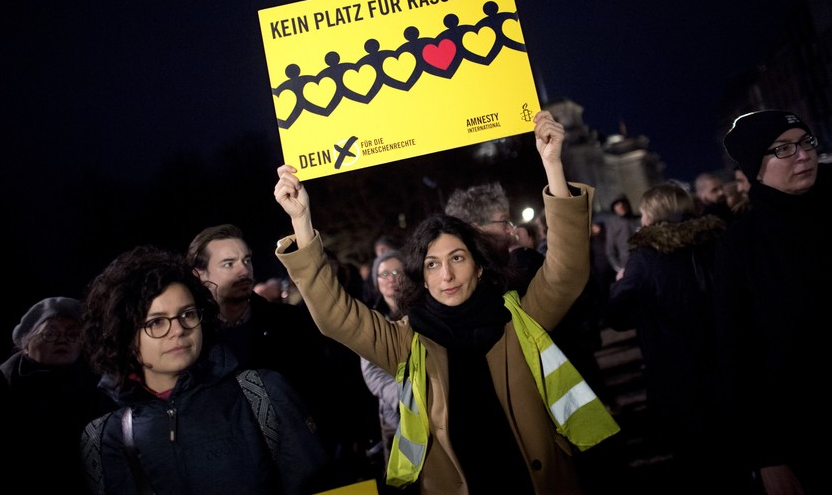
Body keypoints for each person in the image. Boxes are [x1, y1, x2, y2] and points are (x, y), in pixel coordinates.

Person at [273, 110, 619, 493]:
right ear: (421, 277)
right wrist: (301, 221)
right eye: (432, 264)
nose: (447, 276)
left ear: (479, 266)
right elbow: (335, 315)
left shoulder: (520, 318)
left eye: (457, 258)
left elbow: (566, 271)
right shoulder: (404, 342)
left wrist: (552, 165)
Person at [79, 245, 331, 495]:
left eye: (187, 314)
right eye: (156, 322)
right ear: (124, 336)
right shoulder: (103, 437)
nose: (178, 330)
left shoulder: (262, 394)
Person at [187, 224, 378, 484]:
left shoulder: (291, 323)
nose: (244, 270)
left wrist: (346, 446)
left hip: (315, 469)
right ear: (199, 275)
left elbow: (332, 387)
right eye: (229, 264)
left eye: (247, 260)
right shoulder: (192, 342)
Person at [714, 109, 831, 494]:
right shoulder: (740, 245)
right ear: (755, 169)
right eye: (783, 148)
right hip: (806, 431)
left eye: (805, 142)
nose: (803, 155)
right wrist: (767, 455)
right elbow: (737, 353)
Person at [605, 183, 746, 492]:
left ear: (652, 214)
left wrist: (621, 283)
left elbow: (617, 315)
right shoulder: (717, 239)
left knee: (696, 464)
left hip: (675, 374)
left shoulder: (646, 256)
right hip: (728, 364)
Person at [0, 297, 116, 493]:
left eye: (73, 334)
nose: (62, 340)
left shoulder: (101, 396)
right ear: (26, 344)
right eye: (50, 333)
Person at [360, 250, 410, 492]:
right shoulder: (372, 320)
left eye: (397, 272)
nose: (391, 278)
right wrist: (406, 397)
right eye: (384, 274)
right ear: (376, 281)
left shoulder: (422, 310)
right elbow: (372, 373)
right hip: (395, 414)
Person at [604, 194, 641, 277]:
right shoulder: (612, 226)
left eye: (623, 203)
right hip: (625, 267)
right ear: (613, 208)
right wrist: (620, 269)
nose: (621, 206)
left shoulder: (639, 220)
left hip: (643, 264)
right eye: (617, 204)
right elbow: (610, 251)